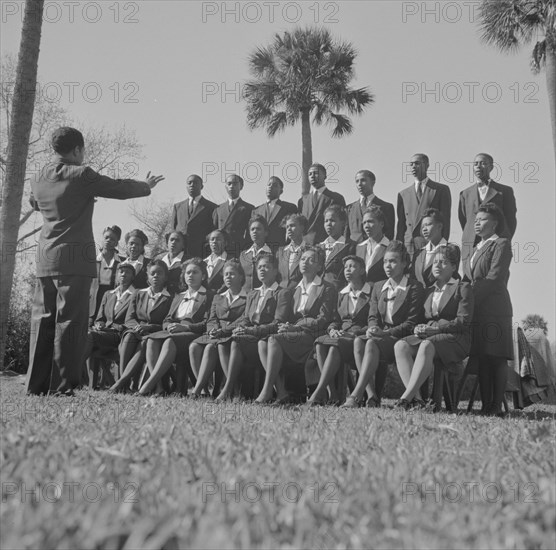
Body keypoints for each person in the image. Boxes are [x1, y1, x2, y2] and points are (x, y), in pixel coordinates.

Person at [26, 126, 163, 396]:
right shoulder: (82, 174)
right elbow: (118, 188)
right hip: (74, 262)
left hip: (45, 258)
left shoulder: (37, 177)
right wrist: (145, 186)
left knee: (42, 322)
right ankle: (62, 386)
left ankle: (36, 385)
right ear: (77, 150)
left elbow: (35, 203)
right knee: (70, 324)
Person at [345, 241, 425, 407]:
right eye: (385, 261)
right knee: (359, 340)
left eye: (393, 261)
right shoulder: (379, 286)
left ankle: (356, 395)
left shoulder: (414, 287)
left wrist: (385, 333)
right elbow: (372, 315)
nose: (388, 265)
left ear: (404, 263)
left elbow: (411, 322)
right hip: (383, 337)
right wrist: (374, 327)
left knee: (371, 342)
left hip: (403, 338)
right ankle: (371, 395)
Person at [394, 244, 473, 409]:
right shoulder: (428, 290)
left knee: (426, 345)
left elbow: (463, 322)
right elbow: (422, 318)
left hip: (456, 338)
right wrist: (418, 328)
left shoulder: (462, 288)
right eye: (435, 262)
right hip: (430, 335)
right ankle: (417, 400)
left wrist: (436, 329)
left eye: (443, 262)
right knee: (401, 346)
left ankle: (405, 399)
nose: (437, 266)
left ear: (453, 266)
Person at [255, 247, 336, 404]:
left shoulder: (326, 287)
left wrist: (296, 327)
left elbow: (323, 319)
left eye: (311, 259)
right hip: (294, 334)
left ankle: (267, 392)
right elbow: (287, 317)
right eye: (303, 259)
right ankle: (281, 391)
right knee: (261, 343)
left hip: (314, 334)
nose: (305, 262)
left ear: (319, 266)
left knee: (272, 340)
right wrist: (287, 326)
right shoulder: (293, 289)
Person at [215, 254, 291, 402]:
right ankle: (230, 389)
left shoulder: (282, 293)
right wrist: (229, 330)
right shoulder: (253, 293)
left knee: (243, 340)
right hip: (253, 338)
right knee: (234, 339)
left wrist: (249, 330)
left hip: (270, 337)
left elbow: (277, 322)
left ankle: (231, 389)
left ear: (275, 271)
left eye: (267, 267)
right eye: (260, 267)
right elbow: (245, 318)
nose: (262, 270)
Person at [463, 203, 514, 417]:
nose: (477, 223)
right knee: (483, 356)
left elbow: (494, 277)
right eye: (476, 220)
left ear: (495, 223)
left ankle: (496, 406)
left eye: (482, 219)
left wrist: (470, 297)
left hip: (495, 308)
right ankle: (485, 406)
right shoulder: (475, 249)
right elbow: (468, 279)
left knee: (497, 357)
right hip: (478, 309)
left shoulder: (501, 244)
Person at [138, 258, 213, 396]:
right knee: (152, 339)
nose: (190, 275)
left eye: (195, 272)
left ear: (203, 276)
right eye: (188, 272)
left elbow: (207, 323)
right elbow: (167, 319)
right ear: (183, 276)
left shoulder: (209, 295)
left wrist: (186, 328)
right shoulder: (178, 296)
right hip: (174, 332)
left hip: (194, 334)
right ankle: (159, 387)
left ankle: (148, 385)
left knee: (170, 341)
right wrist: (169, 326)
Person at [309, 256, 372, 406]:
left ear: (362, 270)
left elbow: (373, 321)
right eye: (346, 267)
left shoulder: (371, 292)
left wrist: (353, 333)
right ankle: (332, 392)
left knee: (333, 347)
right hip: (339, 336)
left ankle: (319, 392)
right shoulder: (342, 294)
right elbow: (335, 319)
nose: (348, 270)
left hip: (358, 337)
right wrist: (332, 330)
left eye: (352, 266)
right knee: (320, 343)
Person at [110, 260, 173, 393]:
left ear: (165, 277)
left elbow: (167, 322)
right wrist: (137, 327)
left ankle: (121, 382)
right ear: (148, 277)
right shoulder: (138, 293)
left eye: (159, 273)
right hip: (135, 330)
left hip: (155, 334)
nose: (155, 276)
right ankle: (124, 383)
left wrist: (150, 327)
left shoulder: (170, 298)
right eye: (152, 273)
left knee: (144, 343)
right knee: (128, 337)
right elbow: (129, 318)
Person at [189, 260, 248, 398]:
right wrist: (212, 329)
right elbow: (212, 318)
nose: (228, 277)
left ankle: (229, 389)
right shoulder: (218, 297)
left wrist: (224, 331)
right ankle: (202, 389)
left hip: (233, 333)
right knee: (194, 346)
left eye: (232, 274)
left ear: (241, 277)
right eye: (226, 274)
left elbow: (245, 318)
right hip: (216, 333)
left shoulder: (248, 296)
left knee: (211, 348)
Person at [82, 263, 136, 389]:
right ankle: (81, 379)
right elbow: (100, 318)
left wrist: (112, 328)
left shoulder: (136, 294)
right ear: (116, 275)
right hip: (103, 334)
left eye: (127, 272)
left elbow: (131, 321)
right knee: (83, 334)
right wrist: (99, 324)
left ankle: (72, 376)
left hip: (120, 336)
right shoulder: (108, 294)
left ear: (133, 276)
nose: (123, 274)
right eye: (121, 271)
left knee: (89, 336)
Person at [458, 153, 517, 263]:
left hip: (495, 242)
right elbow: (464, 220)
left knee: (494, 275)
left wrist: (504, 240)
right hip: (471, 244)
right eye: (475, 164)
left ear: (491, 167)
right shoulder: (465, 194)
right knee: (471, 278)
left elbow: (510, 219)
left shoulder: (504, 191)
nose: (478, 166)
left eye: (483, 163)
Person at [396, 153, 451, 256]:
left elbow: (445, 221)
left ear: (427, 165)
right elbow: (401, 225)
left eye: (417, 163)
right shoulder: (403, 194)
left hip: (431, 243)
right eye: (411, 164)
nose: (413, 167)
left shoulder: (440, 190)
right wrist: (399, 248)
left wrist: (442, 245)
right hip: (409, 247)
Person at [298, 163, 346, 245]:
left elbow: (344, 224)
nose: (312, 176)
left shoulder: (335, 197)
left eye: (316, 173)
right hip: (306, 244)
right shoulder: (302, 201)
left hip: (328, 243)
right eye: (310, 174)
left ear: (325, 176)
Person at [172, 174, 217, 259]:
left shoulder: (212, 207)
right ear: (186, 186)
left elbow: (214, 231)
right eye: (189, 183)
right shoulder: (177, 207)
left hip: (201, 253)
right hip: (180, 253)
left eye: (195, 183)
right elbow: (173, 231)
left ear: (202, 186)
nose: (192, 185)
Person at [346, 170, 395, 242]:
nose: (359, 184)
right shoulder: (349, 209)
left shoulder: (386, 207)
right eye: (357, 181)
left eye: (363, 180)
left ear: (373, 182)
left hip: (378, 250)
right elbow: (346, 235)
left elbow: (389, 234)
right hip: (355, 250)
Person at [212, 174, 254, 257]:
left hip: (238, 250)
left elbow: (250, 233)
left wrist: (244, 248)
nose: (232, 186)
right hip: (220, 250)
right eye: (229, 184)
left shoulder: (249, 208)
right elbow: (213, 230)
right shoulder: (218, 208)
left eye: (235, 184)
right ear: (225, 187)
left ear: (241, 186)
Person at [89, 225, 123, 325]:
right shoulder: (92, 260)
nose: (108, 240)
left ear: (116, 242)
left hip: (110, 296)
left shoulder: (121, 262)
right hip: (93, 297)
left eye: (112, 239)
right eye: (106, 237)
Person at [252, 177, 298, 251]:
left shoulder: (289, 207)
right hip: (260, 250)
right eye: (269, 184)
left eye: (275, 185)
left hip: (281, 249)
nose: (271, 187)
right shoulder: (256, 210)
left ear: (281, 191)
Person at [319, 205, 356, 290]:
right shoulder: (319, 246)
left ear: (343, 222)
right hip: (317, 292)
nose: (328, 224)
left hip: (337, 291)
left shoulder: (350, 246)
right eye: (326, 221)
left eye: (332, 220)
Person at [411, 208, 447, 288]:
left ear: (440, 226)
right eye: (423, 226)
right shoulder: (418, 254)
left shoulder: (450, 249)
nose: (424, 229)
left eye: (428, 224)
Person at [355, 206, 390, 284]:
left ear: (381, 224)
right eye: (364, 223)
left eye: (370, 221)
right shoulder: (359, 248)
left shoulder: (390, 247)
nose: (366, 226)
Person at [239, 215, 273, 292]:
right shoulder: (243, 255)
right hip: (245, 298)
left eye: (258, 229)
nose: (255, 231)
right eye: (252, 229)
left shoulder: (272, 253)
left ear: (266, 233)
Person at [276, 214, 308, 289]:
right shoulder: (280, 252)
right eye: (287, 227)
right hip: (281, 293)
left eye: (292, 225)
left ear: (302, 227)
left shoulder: (310, 250)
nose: (289, 229)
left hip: (301, 292)